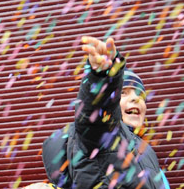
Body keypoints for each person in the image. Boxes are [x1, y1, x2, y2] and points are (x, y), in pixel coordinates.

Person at [42, 36, 170, 189]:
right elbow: (95, 115)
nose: (136, 99)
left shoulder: (146, 152)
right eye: (124, 93)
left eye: (140, 95)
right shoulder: (101, 136)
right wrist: (103, 77)